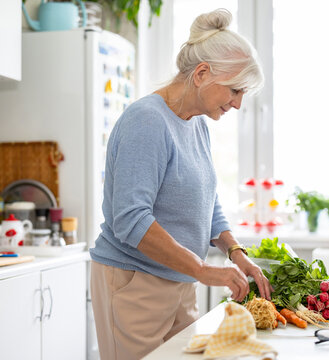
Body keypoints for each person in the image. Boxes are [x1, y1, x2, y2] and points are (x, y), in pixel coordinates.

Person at [89, 8, 271, 360]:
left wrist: (235, 252)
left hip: (181, 280)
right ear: (202, 74)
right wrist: (202, 269)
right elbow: (131, 219)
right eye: (234, 90)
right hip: (135, 282)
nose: (237, 103)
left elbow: (206, 201)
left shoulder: (197, 123)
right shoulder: (147, 121)